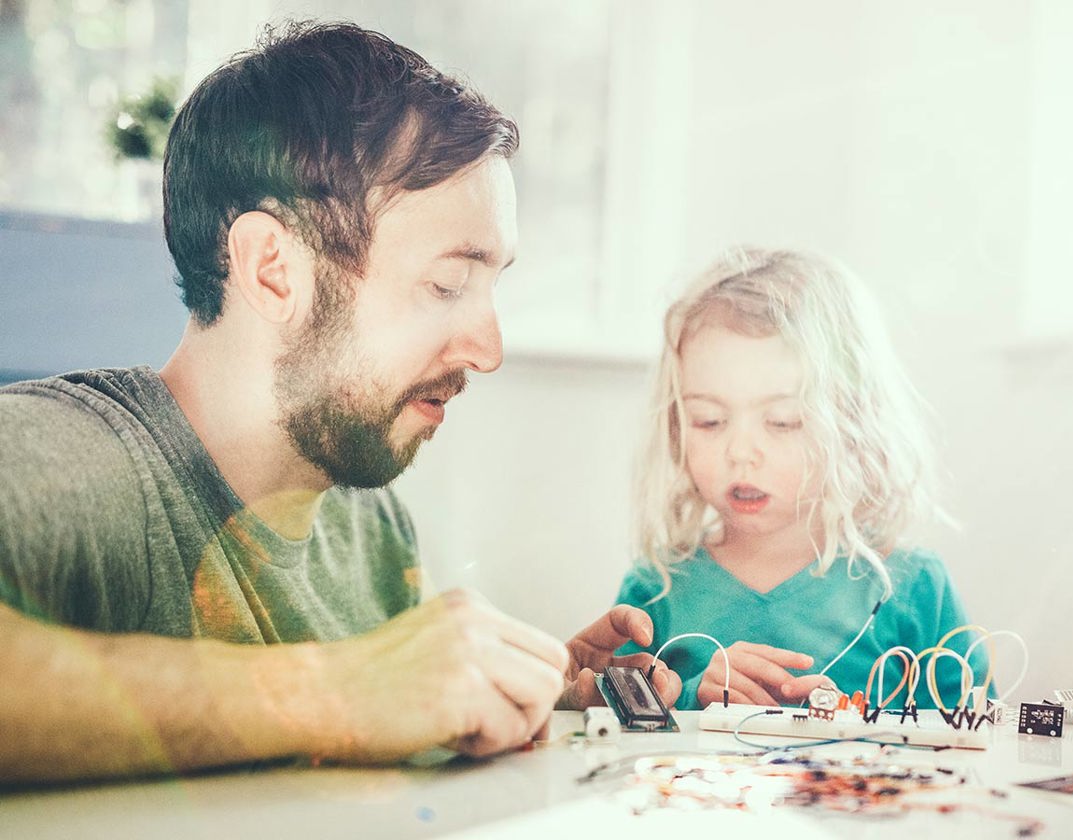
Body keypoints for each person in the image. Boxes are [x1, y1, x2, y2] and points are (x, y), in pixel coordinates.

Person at [0, 21, 676, 783]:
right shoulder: (64, 460)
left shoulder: (370, 528)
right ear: (274, 270)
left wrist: (522, 691)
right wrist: (338, 689)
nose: (489, 350)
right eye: (447, 284)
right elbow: (354, 699)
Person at [615, 247, 988, 712]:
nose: (741, 451)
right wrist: (693, 699)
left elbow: (977, 731)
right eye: (709, 420)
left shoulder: (912, 585)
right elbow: (610, 731)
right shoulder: (656, 589)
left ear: (852, 424)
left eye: (783, 421)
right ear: (676, 426)